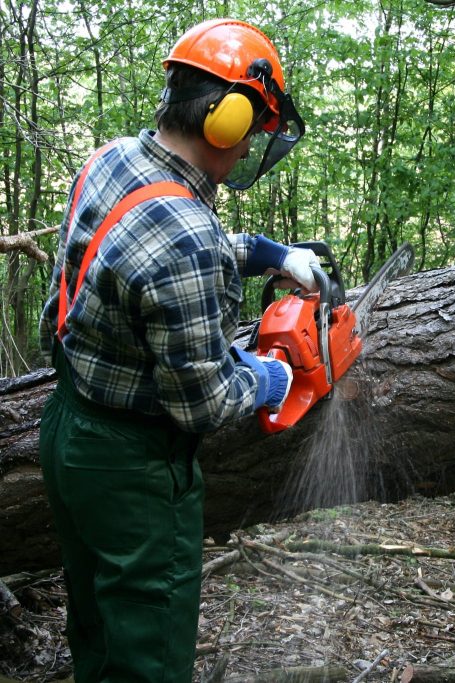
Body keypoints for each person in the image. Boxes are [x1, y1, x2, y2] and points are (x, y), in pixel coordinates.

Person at [39, 17, 319, 683]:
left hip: (68, 429)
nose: (252, 141)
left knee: (98, 632)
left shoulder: (115, 158)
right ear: (225, 117)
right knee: (148, 660)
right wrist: (274, 378)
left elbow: (150, 241)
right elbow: (204, 400)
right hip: (133, 471)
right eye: (254, 126)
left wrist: (275, 255)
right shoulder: (186, 233)